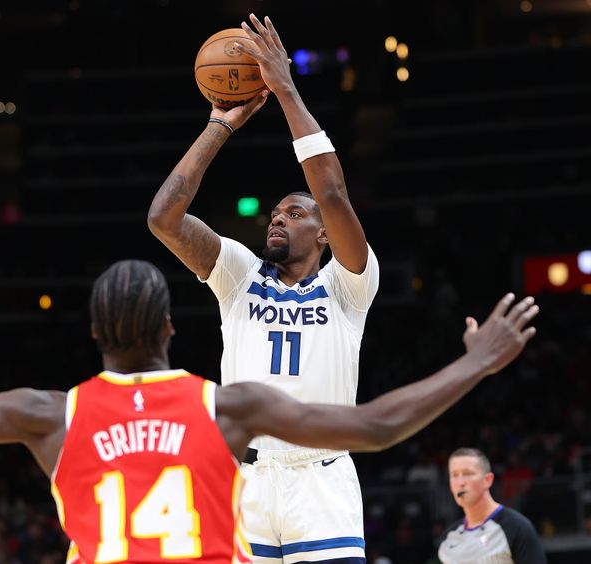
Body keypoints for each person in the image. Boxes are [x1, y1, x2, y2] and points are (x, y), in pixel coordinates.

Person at [0, 253, 538, 564]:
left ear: (93, 335)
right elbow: (378, 425)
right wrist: (479, 360)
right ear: (172, 329)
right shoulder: (228, 408)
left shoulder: (51, 414)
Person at [148, 14, 378, 561]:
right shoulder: (240, 274)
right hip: (246, 479)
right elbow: (163, 218)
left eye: (295, 213)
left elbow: (334, 193)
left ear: (322, 233)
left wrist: (286, 90)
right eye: (275, 213)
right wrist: (219, 125)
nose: (278, 219)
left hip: (320, 478)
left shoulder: (349, 285)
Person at [438, 448, 547, 564]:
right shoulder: (449, 536)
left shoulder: (516, 527)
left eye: (467, 473)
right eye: (454, 475)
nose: (460, 482)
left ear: (488, 480)